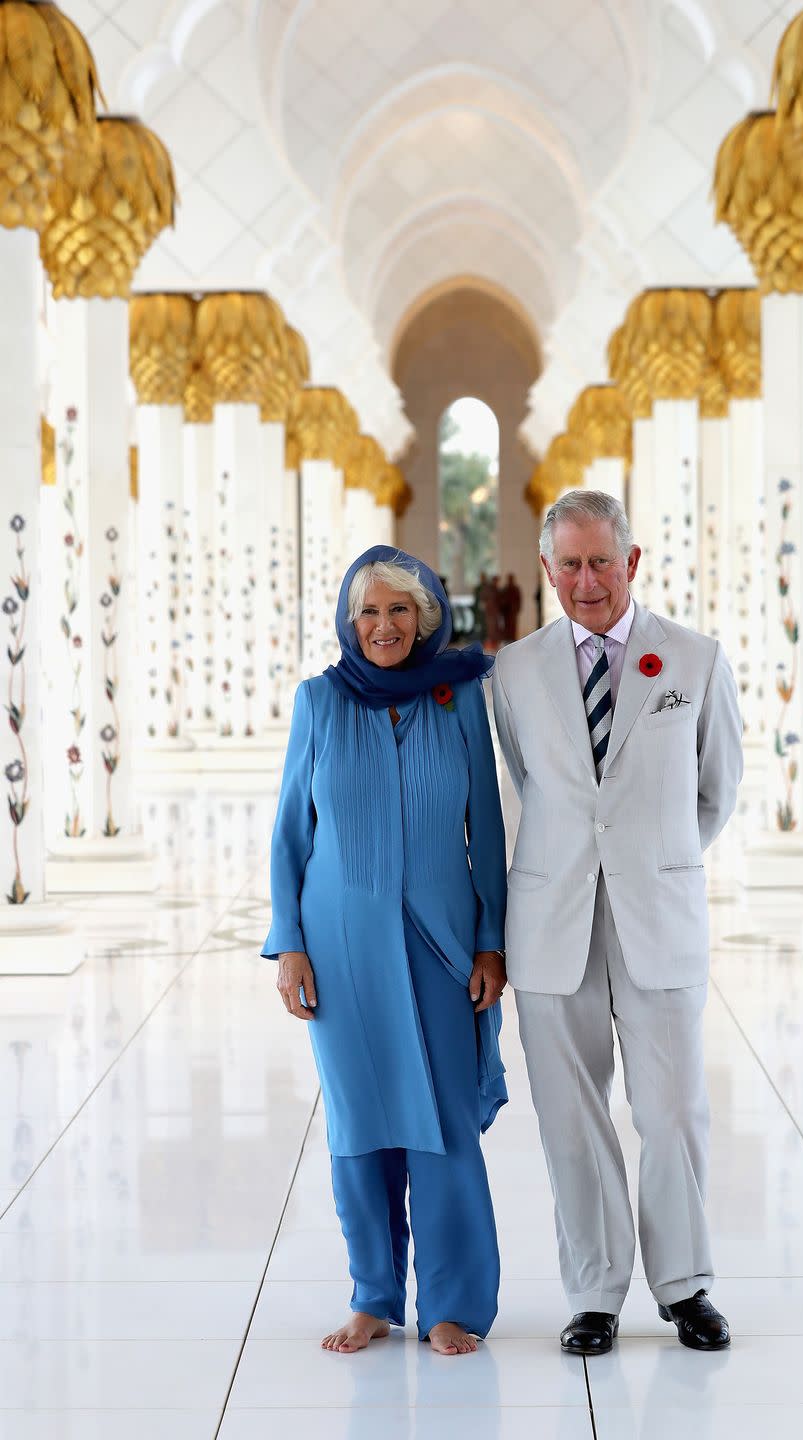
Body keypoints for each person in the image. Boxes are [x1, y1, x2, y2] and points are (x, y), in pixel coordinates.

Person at [492, 490, 742, 1357]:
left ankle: (686, 1287)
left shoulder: (695, 660)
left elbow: (718, 790)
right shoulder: (514, 671)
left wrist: (652, 860)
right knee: (570, 1114)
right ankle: (594, 1292)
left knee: (672, 1110)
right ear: (548, 569)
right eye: (570, 564)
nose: (586, 580)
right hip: (552, 916)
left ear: (631, 562)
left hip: (657, 915)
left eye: (602, 561)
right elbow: (518, 789)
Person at [263, 545, 508, 1357]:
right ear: (348, 619)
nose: (383, 625)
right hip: (340, 951)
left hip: (441, 944)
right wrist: (289, 946)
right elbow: (290, 836)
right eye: (368, 611)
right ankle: (372, 1296)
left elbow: (488, 833)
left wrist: (490, 941)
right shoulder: (319, 702)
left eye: (400, 609)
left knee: (441, 1126)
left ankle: (452, 1304)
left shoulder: (459, 697)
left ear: (427, 615)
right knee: (360, 1124)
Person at [499, 573, 522, 643]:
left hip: (513, 611)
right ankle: (507, 638)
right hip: (506, 611)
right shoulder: (505, 589)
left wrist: (517, 608)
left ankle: (513, 639)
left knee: (513, 626)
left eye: (511, 578)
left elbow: (519, 600)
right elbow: (501, 599)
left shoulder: (516, 588)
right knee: (507, 625)